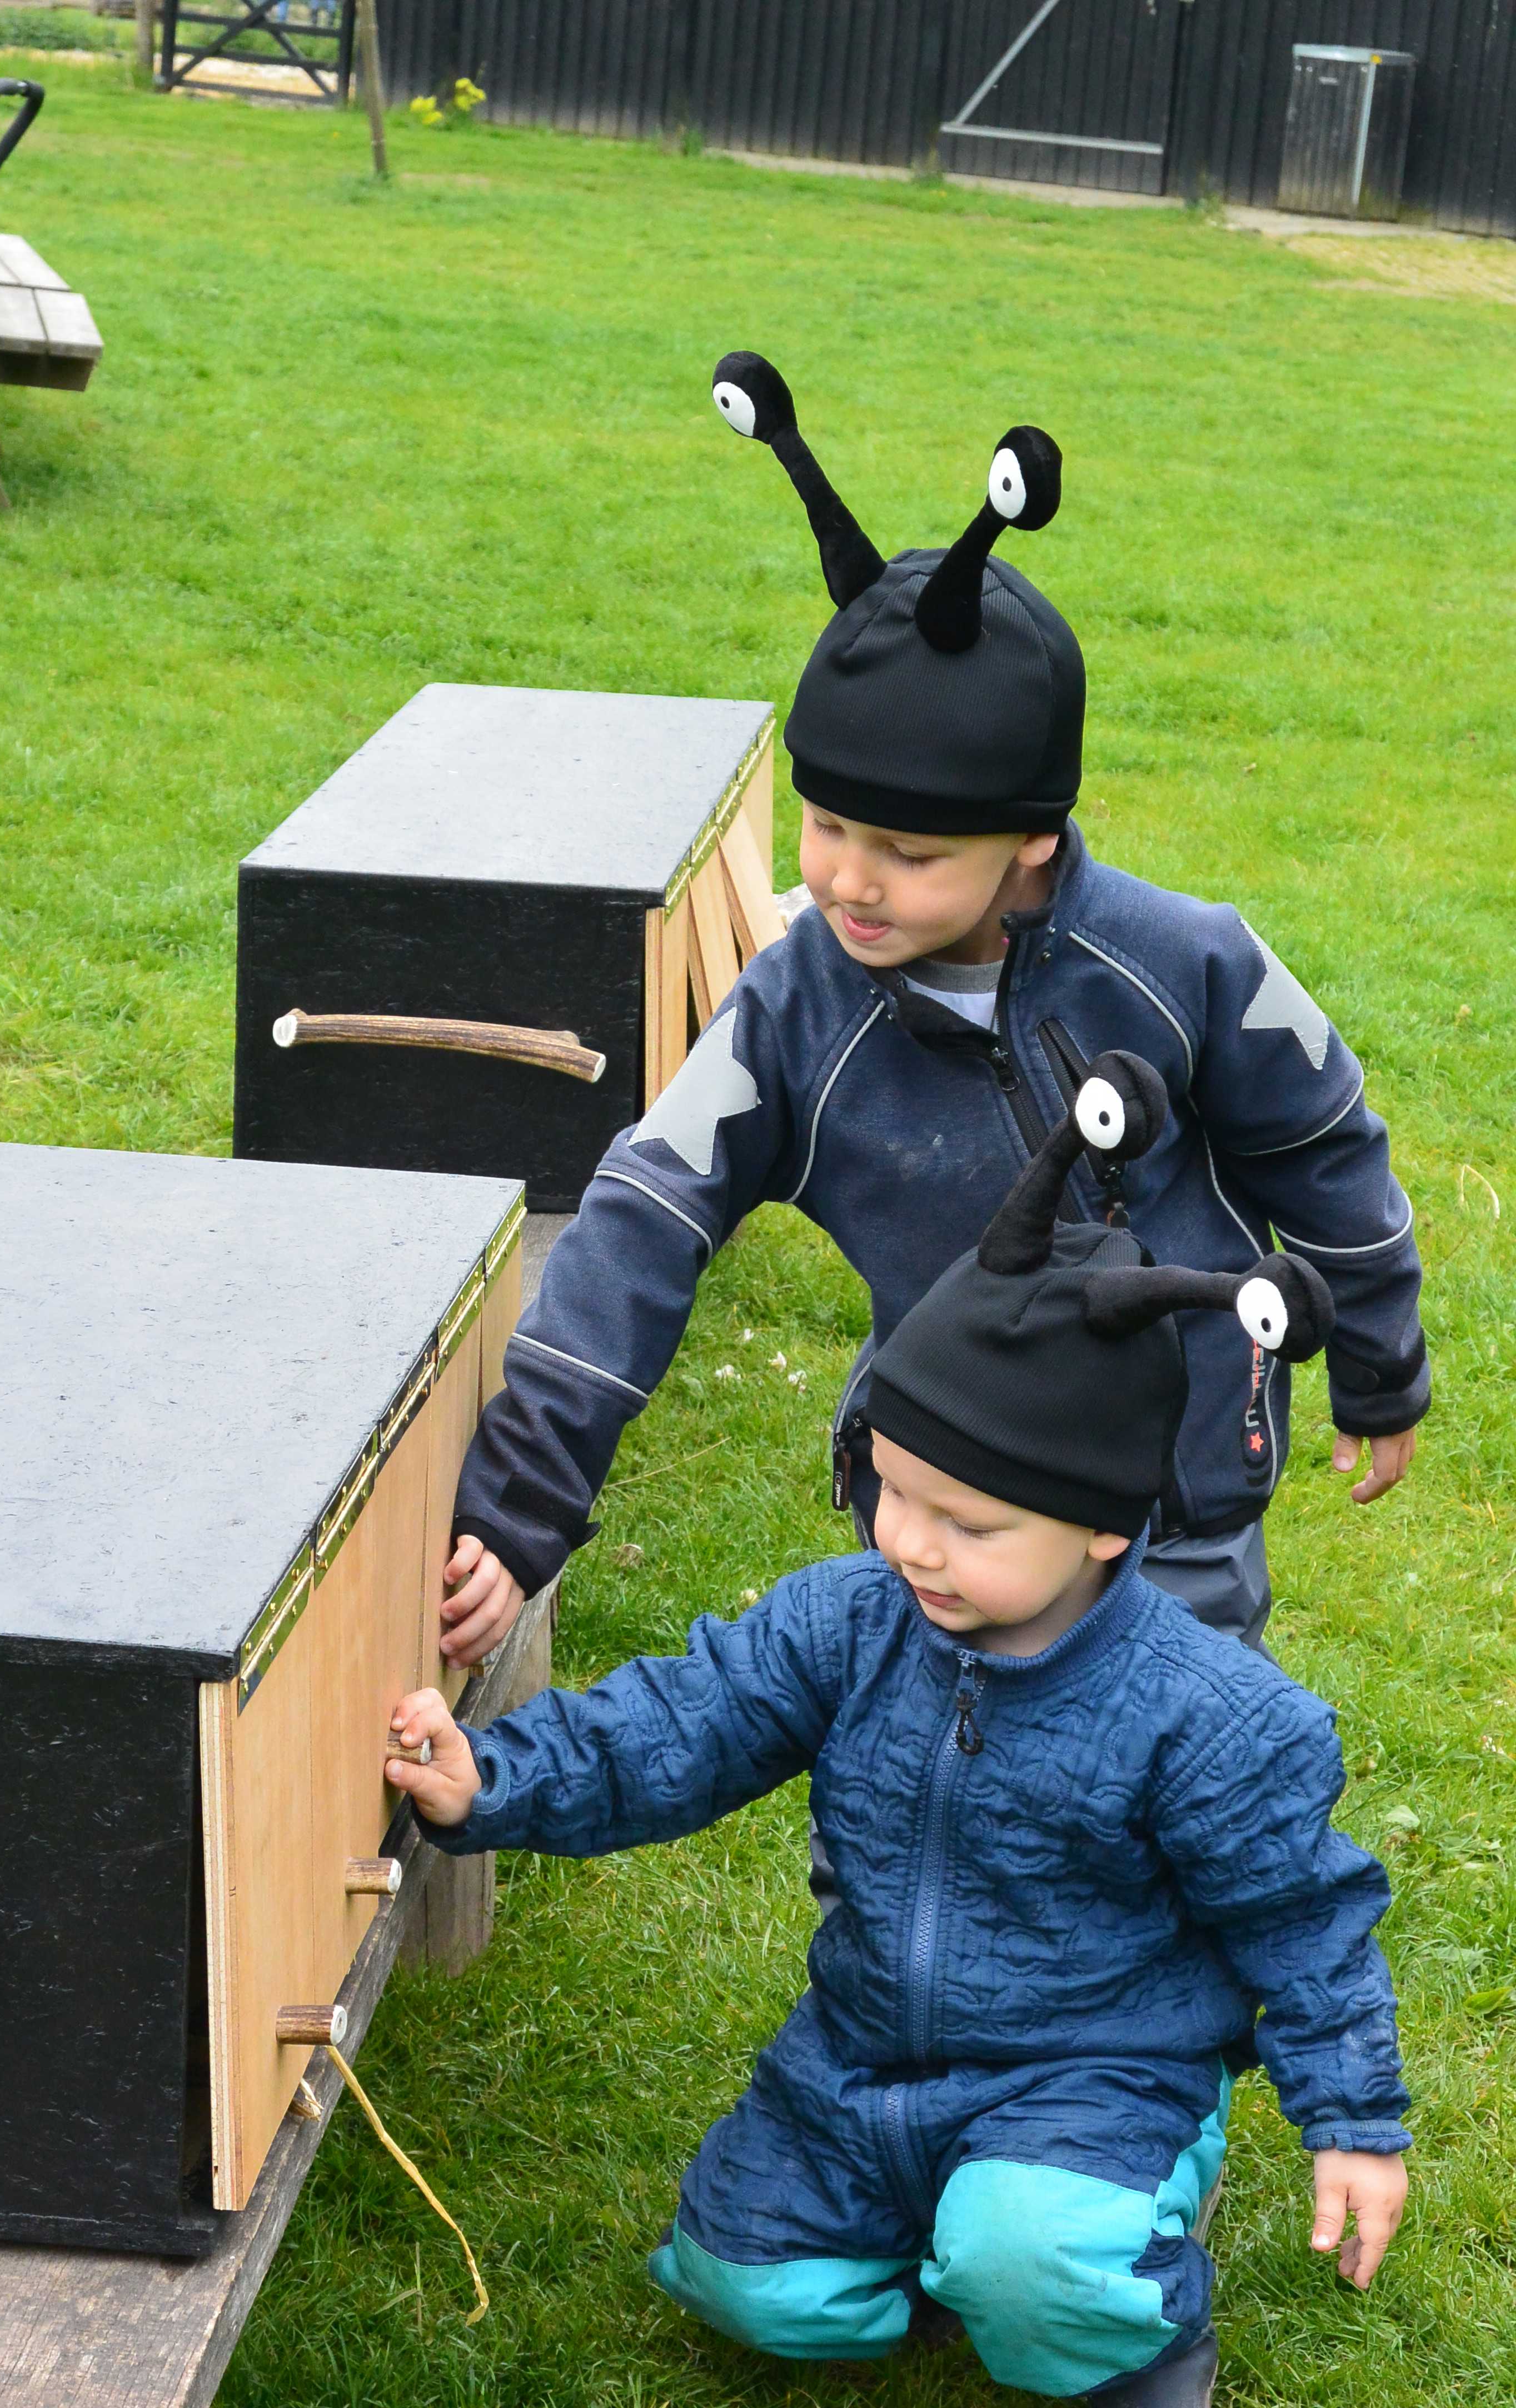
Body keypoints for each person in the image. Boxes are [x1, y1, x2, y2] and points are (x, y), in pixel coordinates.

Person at [391, 1063, 1410, 2408]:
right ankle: (982, 2247)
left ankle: (1139, 2315)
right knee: (747, 2283)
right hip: (866, 2063)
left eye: (969, 1521)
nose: (913, 1543)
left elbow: (1305, 1927)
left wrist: (1355, 2122)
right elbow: (680, 1725)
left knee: (1044, 2267)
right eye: (890, 1488)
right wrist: (493, 1772)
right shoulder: (851, 1620)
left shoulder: (1207, 1718)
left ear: (1107, 1533)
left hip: (1094, 2074)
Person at [438, 353, 1427, 1673]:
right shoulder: (797, 1010)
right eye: (828, 823)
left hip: (1175, 1513)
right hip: (935, 1518)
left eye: (905, 851)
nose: (846, 876)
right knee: (932, 1799)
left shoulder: (1183, 964)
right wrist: (520, 1508)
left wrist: (1375, 1351)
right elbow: (644, 1213)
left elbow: (1324, 1141)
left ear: (1029, 837)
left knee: (1164, 1789)